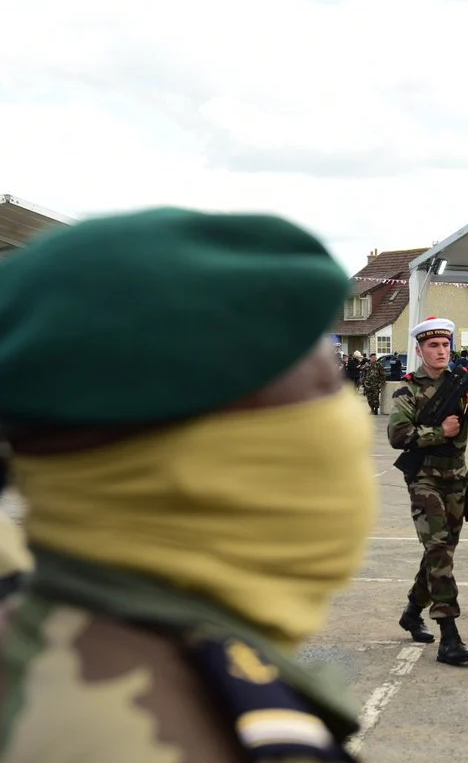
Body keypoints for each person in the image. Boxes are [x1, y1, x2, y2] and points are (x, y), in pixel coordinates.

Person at [0, 207, 376, 761]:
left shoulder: (42, 636)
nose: (346, 423)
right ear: (197, 453)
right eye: (317, 386)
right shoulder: (156, 734)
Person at [388, 317, 468, 667]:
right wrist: (438, 432)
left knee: (440, 552)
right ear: (419, 350)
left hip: (457, 478)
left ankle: (413, 610)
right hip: (424, 479)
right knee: (438, 550)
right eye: (433, 346)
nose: (441, 351)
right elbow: (397, 436)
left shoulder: (464, 384)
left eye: (445, 345)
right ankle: (449, 635)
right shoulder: (408, 390)